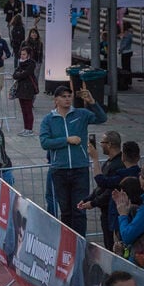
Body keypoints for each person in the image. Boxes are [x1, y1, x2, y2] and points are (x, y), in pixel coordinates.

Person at [39, 84, 107, 236]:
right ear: (56, 100)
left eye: (69, 96)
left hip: (80, 169)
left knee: (79, 210)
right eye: (63, 96)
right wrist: (66, 140)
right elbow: (44, 142)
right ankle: (67, 241)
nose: (67, 99)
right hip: (59, 170)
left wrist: (92, 102)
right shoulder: (48, 120)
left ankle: (80, 242)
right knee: (65, 211)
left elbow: (102, 118)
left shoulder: (81, 114)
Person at [79, 130, 124, 251]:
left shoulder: (118, 164)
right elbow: (100, 188)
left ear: (109, 144)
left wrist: (95, 159)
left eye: (102, 142)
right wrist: (87, 199)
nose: (100, 145)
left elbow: (108, 190)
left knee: (113, 244)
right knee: (107, 241)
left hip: (113, 212)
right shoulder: (109, 162)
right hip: (106, 212)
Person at [11, 47, 38, 136]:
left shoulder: (31, 63)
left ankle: (29, 129)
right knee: (23, 110)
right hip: (21, 89)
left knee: (28, 109)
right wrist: (20, 74)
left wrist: (20, 74)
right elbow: (15, 75)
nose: (22, 56)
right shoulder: (21, 63)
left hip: (28, 89)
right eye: (21, 54)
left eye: (24, 54)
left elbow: (26, 74)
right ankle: (25, 128)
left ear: (28, 55)